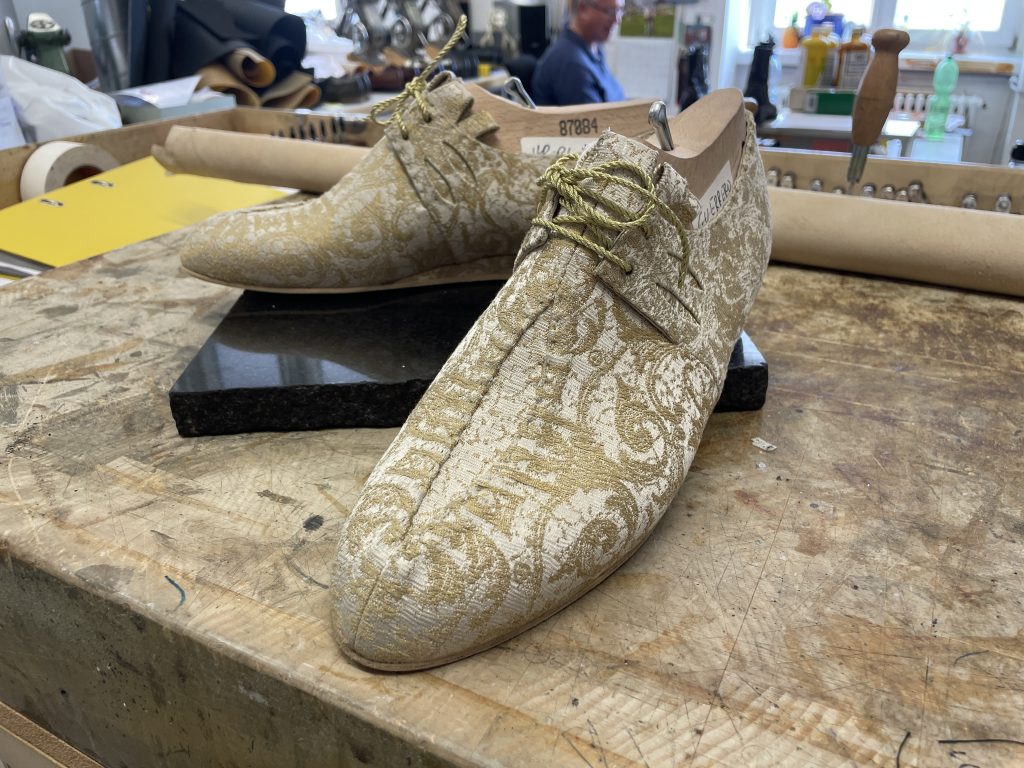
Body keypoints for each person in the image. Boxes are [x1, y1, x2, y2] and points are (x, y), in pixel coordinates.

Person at [531, 0, 625, 106]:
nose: (618, 19)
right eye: (610, 11)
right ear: (583, 9)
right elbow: (597, 120)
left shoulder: (594, 46)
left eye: (620, 10)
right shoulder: (573, 66)